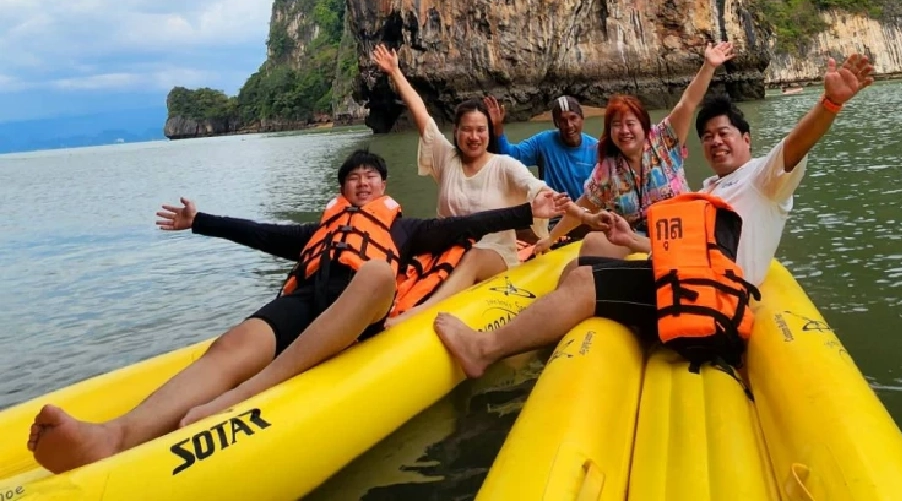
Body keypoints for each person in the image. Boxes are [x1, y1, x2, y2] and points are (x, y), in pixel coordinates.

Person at [26, 147, 570, 475]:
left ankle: (242, 397)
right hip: (305, 304)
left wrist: (528, 210)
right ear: (341, 190)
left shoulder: (403, 229)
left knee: (377, 272)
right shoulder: (319, 232)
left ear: (384, 187)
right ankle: (111, 437)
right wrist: (201, 222)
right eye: (354, 178)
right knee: (233, 345)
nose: (363, 182)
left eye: (372, 177)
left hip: (359, 311)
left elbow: (458, 228)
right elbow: (263, 233)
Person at [432, 53, 875, 379]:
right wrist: (628, 239)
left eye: (725, 135)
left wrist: (829, 105)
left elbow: (794, 146)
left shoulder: (763, 178)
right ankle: (535, 336)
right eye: (708, 137)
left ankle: (483, 349)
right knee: (578, 267)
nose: (716, 142)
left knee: (587, 280)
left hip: (712, 300)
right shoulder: (708, 189)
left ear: (747, 139)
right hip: (689, 280)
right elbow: (670, 241)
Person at [371, 45, 595, 316]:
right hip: (445, 250)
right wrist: (395, 72)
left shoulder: (505, 166)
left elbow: (544, 192)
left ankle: (419, 313)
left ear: (489, 133)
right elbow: (421, 115)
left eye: (481, 130)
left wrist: (587, 218)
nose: (474, 136)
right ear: (457, 132)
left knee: (473, 257)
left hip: (493, 255)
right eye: (467, 129)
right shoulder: (446, 158)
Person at [537, 42, 735, 258]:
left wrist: (708, 66)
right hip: (636, 239)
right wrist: (550, 239)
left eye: (630, 123)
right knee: (592, 243)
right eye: (616, 125)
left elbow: (688, 102)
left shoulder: (664, 139)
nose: (624, 131)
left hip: (679, 231)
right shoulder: (607, 170)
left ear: (643, 124)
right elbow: (581, 207)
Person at [483, 94, 598, 200]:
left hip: (587, 215)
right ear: (556, 123)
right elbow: (508, 156)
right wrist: (497, 126)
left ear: (582, 118)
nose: (569, 125)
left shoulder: (596, 148)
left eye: (573, 118)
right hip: (555, 216)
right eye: (563, 121)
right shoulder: (543, 142)